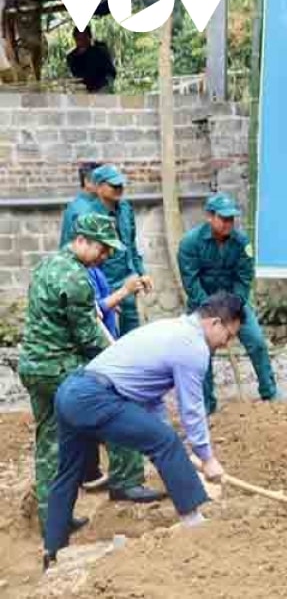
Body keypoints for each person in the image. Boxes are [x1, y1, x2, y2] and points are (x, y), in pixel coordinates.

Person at [41, 293, 242, 571]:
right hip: (95, 397)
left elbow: (150, 398)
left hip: (71, 391)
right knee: (165, 441)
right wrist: (206, 458)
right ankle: (195, 522)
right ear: (215, 323)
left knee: (68, 472)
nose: (226, 343)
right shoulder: (193, 347)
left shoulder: (170, 328)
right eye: (229, 335)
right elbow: (192, 409)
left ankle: (52, 550)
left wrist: (175, 450)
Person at [18, 213, 163, 534]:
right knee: (118, 403)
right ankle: (126, 480)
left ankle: (52, 518)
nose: (106, 256)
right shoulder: (76, 278)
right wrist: (125, 365)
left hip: (33, 367)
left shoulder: (47, 265)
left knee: (50, 443)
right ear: (81, 240)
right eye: (102, 248)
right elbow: (89, 338)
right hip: (59, 368)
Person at [178, 193, 278, 413]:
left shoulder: (242, 243)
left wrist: (233, 308)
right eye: (223, 218)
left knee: (257, 342)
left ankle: (270, 392)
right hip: (202, 306)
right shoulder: (190, 243)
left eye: (231, 219)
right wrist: (213, 313)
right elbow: (191, 283)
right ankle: (206, 404)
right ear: (209, 217)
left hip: (235, 305)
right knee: (201, 352)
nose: (228, 223)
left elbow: (244, 279)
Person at [81, 164, 153, 336]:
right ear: (99, 187)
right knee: (108, 335)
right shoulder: (89, 216)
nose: (119, 189)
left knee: (133, 334)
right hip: (105, 283)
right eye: (113, 185)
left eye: (121, 184)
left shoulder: (126, 209)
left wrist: (141, 272)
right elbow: (86, 258)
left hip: (128, 278)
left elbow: (131, 245)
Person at [66, 26, 117, 93]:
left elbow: (111, 72)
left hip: (101, 89)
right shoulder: (71, 56)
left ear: (89, 37)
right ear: (75, 38)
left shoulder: (99, 52)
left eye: (84, 37)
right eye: (79, 38)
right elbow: (74, 75)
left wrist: (106, 86)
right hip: (81, 90)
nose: (82, 41)